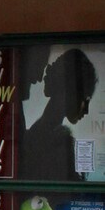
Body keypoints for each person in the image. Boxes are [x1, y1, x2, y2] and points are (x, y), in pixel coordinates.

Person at [25, 48, 99, 183]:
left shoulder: (37, 131)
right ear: (73, 94)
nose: (86, 111)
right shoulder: (60, 139)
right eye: (86, 100)